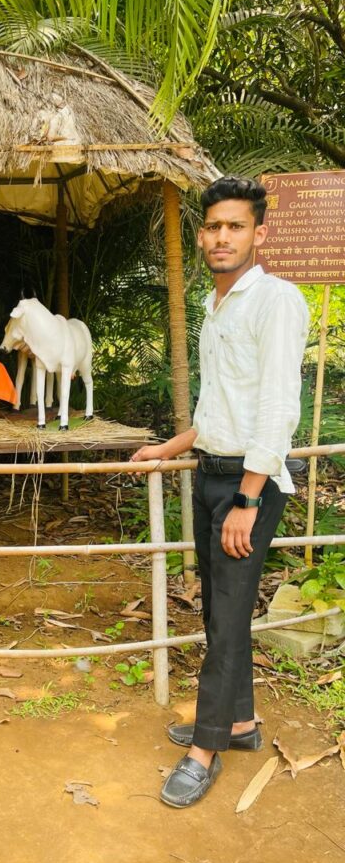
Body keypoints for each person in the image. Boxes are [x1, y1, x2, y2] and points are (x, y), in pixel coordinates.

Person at [130, 176, 309, 808]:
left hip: (246, 486)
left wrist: (250, 498)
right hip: (211, 474)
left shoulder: (276, 302)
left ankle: (204, 751)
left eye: (236, 225)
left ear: (260, 233)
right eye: (213, 226)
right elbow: (219, 408)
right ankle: (238, 724)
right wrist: (169, 448)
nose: (222, 236)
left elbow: (277, 405)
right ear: (202, 234)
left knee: (229, 615)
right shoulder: (216, 305)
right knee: (216, 611)